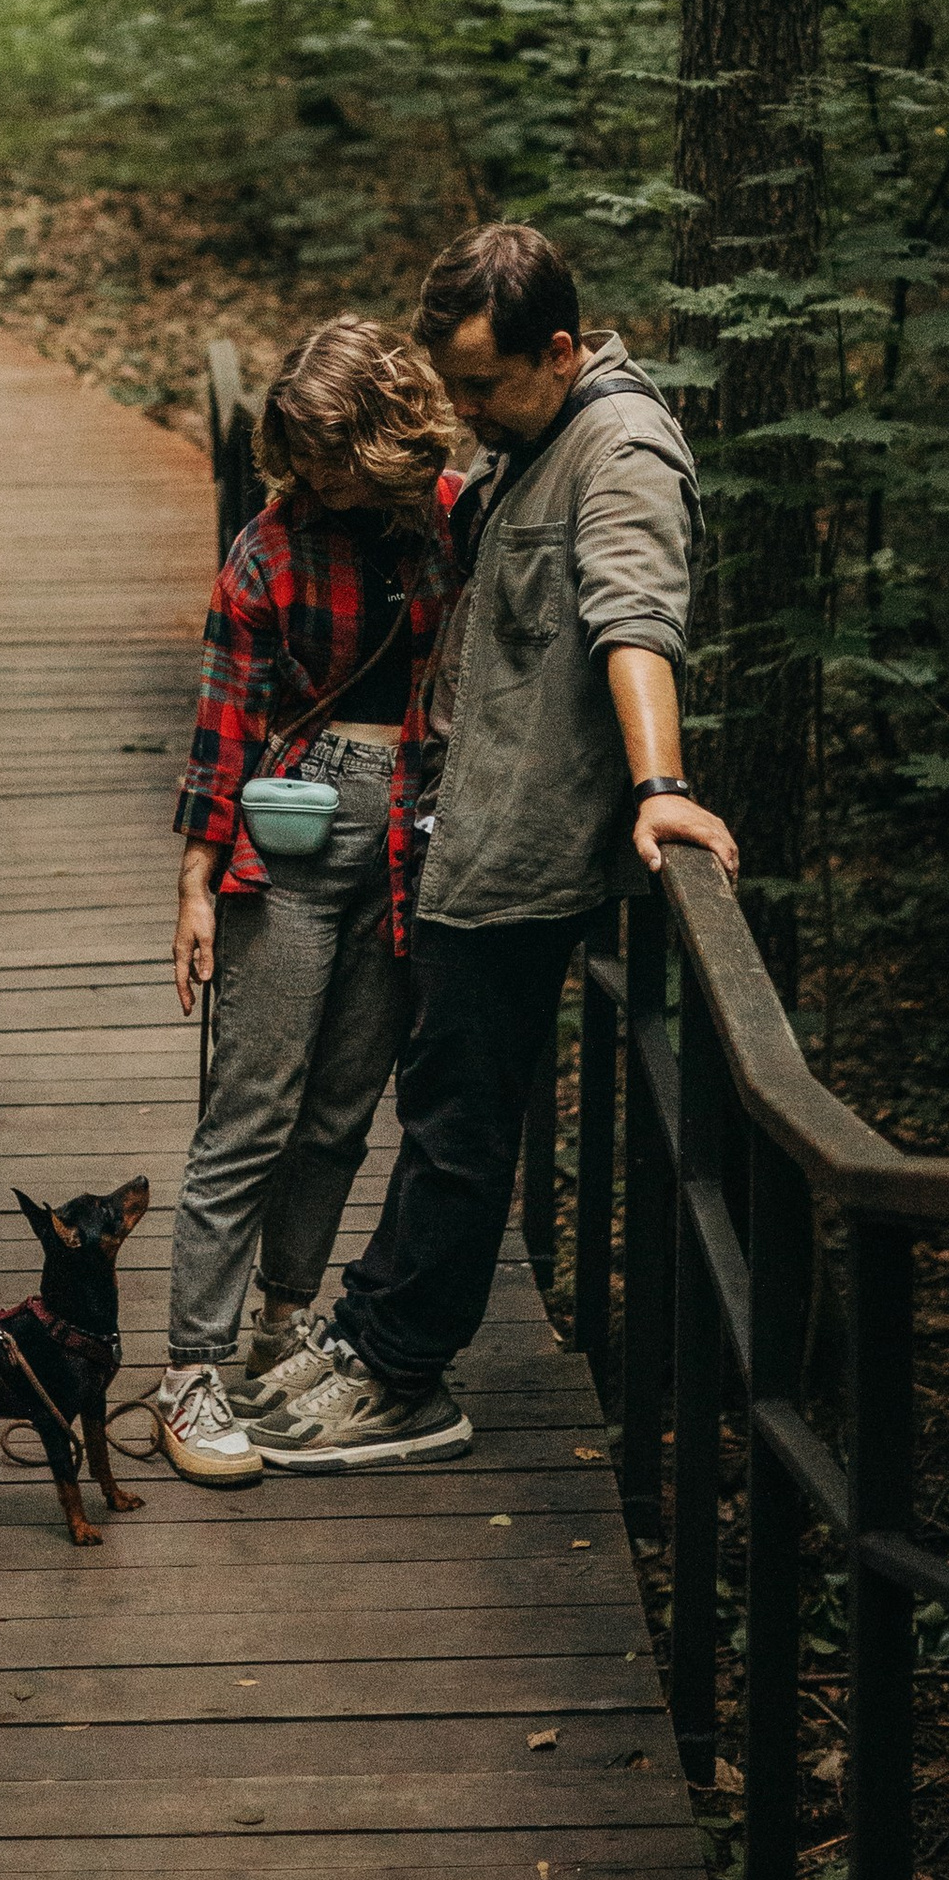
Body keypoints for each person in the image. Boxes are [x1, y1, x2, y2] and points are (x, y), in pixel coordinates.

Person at [247, 221, 738, 1471]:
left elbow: (635, 620)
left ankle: (404, 1377)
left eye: (479, 384)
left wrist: (663, 785)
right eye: (451, 382)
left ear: (561, 349)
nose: (460, 409)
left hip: (523, 851)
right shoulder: (533, 439)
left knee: (463, 1120)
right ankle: (370, 1330)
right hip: (465, 830)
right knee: (442, 1102)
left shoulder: (615, 451)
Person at [154, 317, 463, 1486]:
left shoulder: (452, 515)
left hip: (410, 837)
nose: (318, 477)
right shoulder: (267, 547)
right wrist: (193, 882)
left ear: (387, 434)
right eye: (300, 453)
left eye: (336, 452)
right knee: (251, 1109)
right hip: (289, 835)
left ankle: (283, 1328)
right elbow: (221, 719)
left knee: (342, 1111)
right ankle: (188, 1365)